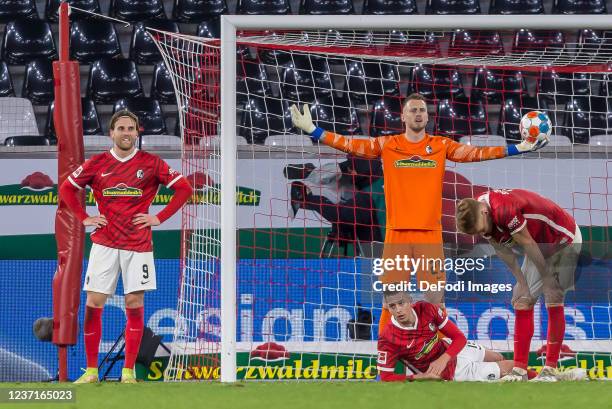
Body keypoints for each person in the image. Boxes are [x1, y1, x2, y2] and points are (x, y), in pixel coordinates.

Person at [290, 93, 548, 334]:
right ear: (403, 117)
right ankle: (387, 362)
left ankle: (440, 355)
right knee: (390, 300)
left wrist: (518, 148)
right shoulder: (388, 145)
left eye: (422, 110)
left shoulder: (440, 145)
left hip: (429, 237)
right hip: (396, 237)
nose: (418, 114)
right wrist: (315, 131)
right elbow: (351, 145)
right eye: (412, 110)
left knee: (436, 301)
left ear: (427, 116)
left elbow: (476, 153)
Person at [59, 110, 193, 384]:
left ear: (137, 132)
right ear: (111, 133)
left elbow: (185, 188)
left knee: (134, 303)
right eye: (121, 128)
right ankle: (92, 371)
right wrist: (85, 218)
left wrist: (159, 217)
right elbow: (66, 189)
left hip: (138, 246)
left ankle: (128, 372)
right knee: (93, 303)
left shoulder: (151, 163)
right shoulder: (97, 163)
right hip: (104, 244)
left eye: (131, 128)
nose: (126, 133)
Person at [455, 189, 587, 382]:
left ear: (484, 211)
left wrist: (548, 280)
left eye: (481, 229)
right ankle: (519, 371)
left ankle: (550, 370)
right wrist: (521, 282)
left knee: (553, 297)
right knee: (521, 300)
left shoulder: (503, 209)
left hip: (562, 238)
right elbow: (501, 249)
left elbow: (527, 243)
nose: (482, 233)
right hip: (538, 244)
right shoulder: (477, 212)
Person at [377, 291, 515, 382]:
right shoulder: (388, 338)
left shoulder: (426, 309)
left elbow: (459, 338)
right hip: (451, 372)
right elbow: (386, 377)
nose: (398, 310)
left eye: (401, 303)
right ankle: (535, 380)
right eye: (392, 306)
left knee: (498, 357)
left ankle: (535, 379)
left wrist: (443, 358)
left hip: (450, 348)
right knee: (510, 367)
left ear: (410, 301)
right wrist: (420, 377)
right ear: (388, 308)